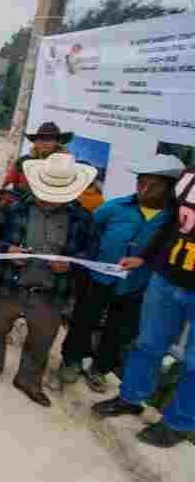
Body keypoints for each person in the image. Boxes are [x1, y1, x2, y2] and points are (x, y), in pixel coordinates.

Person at [0, 153, 95, 408]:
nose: (49, 199)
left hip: (50, 292)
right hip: (10, 284)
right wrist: (7, 251)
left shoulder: (82, 218)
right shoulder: (13, 208)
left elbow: (89, 254)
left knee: (41, 341)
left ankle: (28, 380)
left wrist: (70, 264)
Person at [59, 155, 182, 392]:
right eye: (141, 182)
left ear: (170, 188)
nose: (144, 189)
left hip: (136, 286)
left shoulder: (174, 221)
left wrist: (146, 261)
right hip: (98, 278)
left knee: (118, 330)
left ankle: (100, 369)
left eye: (153, 185)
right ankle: (71, 360)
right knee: (84, 320)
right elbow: (89, 234)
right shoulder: (114, 208)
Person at [92, 166, 195, 448]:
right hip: (165, 277)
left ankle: (178, 424)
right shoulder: (188, 176)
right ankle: (130, 398)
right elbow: (170, 224)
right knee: (147, 343)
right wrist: (144, 257)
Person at [2, 121, 72, 196]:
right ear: (35, 141)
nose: (45, 143)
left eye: (49, 139)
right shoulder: (23, 161)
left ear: (58, 142)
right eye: (41, 139)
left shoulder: (65, 164)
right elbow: (7, 185)